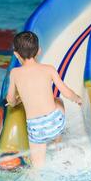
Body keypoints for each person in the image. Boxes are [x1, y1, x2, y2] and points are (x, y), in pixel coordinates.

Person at [6, 31, 82, 168]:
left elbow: (10, 100)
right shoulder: (49, 69)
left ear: (16, 54)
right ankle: (58, 142)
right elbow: (66, 93)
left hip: (36, 129)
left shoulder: (15, 73)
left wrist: (18, 100)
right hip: (55, 124)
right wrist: (78, 99)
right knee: (58, 100)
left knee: (37, 166)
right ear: (39, 51)